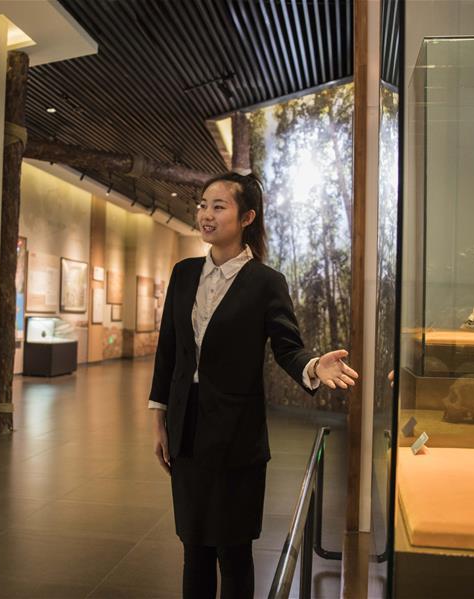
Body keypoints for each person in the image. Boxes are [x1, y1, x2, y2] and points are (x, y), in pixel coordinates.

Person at [149, 172, 359, 599]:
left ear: (247, 218)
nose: (206, 214)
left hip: (236, 436)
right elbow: (168, 350)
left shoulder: (266, 282)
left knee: (233, 552)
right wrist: (160, 417)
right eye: (203, 205)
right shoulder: (184, 274)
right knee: (194, 548)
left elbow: (287, 348)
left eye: (218, 206)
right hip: (186, 429)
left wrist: (314, 366)